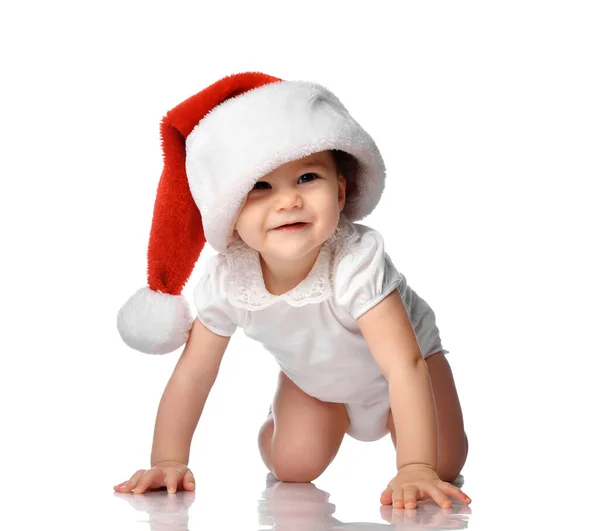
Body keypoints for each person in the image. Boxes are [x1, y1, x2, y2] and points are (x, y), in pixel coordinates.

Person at [114, 72, 471, 510]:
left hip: (411, 373)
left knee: (445, 464)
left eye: (307, 178)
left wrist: (415, 466)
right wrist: (168, 459)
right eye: (260, 187)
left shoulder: (355, 261)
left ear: (341, 192)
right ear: (227, 212)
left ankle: (421, 450)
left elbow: (404, 364)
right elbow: (193, 374)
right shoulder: (230, 279)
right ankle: (280, 418)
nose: (287, 201)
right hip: (315, 383)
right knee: (293, 465)